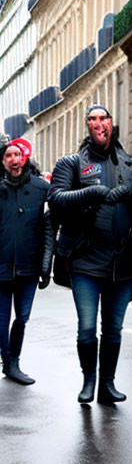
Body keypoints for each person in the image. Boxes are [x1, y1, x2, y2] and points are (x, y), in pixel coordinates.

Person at [49, 106, 132, 404]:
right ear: (87, 126)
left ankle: (107, 385)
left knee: (113, 330)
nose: (99, 124)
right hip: (85, 262)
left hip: (122, 266)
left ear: (112, 124)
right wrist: (93, 192)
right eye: (93, 119)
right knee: (87, 327)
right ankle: (89, 380)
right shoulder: (72, 163)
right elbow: (56, 200)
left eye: (104, 118)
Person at [0, 138, 53, 385]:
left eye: (17, 154)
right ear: (3, 161)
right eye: (9, 155)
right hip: (1, 269)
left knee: (21, 317)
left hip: (28, 268)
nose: (14, 159)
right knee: (1, 320)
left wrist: (46, 264)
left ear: (25, 158)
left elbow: (49, 228)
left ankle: (13, 359)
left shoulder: (41, 188)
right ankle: (9, 363)